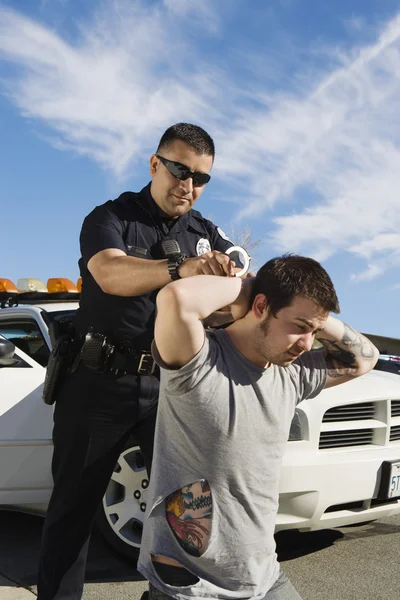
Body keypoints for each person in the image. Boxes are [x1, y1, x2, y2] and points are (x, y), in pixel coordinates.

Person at [37, 123, 241, 600]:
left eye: (201, 178)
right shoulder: (110, 217)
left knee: (188, 516)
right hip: (97, 387)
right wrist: (182, 269)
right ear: (155, 164)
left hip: (171, 393)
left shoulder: (206, 233)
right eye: (179, 170)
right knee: (72, 516)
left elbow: (228, 303)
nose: (189, 185)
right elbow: (108, 273)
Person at [137, 254, 379, 600]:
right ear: (261, 305)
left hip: (263, 575)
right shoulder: (200, 359)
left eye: (314, 331)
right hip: (191, 583)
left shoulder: (292, 373)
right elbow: (175, 298)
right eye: (299, 326)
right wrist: (249, 287)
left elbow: (365, 358)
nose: (307, 344)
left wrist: (313, 317)